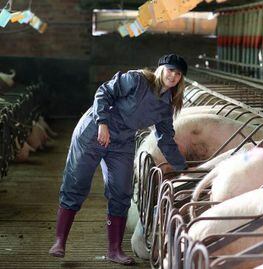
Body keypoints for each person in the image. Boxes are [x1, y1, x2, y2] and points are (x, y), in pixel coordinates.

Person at [49, 54, 189, 265]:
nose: (173, 76)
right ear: (161, 69)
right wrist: (102, 122)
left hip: (122, 142)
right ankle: (60, 241)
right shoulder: (137, 79)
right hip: (94, 131)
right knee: (76, 182)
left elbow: (166, 139)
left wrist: (183, 169)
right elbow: (103, 93)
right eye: (171, 70)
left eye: (178, 74)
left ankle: (114, 250)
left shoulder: (166, 106)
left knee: (121, 191)